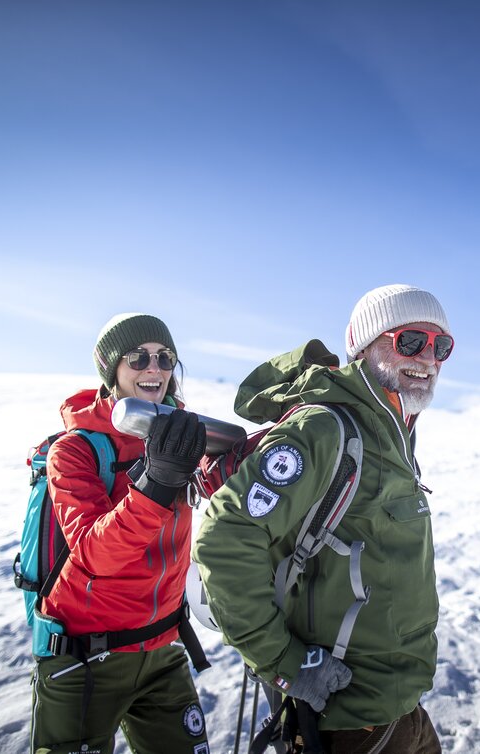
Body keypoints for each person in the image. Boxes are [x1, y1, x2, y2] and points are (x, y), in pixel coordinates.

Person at [193, 284, 453, 753]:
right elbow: (224, 541)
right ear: (365, 347)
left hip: (401, 709)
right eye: (411, 341)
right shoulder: (325, 429)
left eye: (441, 346)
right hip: (345, 721)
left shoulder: (394, 431)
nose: (428, 357)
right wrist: (287, 663)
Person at [29, 312, 210, 754]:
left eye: (166, 358)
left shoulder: (182, 437)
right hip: (85, 657)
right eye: (138, 357)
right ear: (112, 369)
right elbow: (95, 555)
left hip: (164, 649)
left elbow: (230, 480)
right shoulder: (74, 450)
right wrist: (156, 486)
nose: (155, 368)